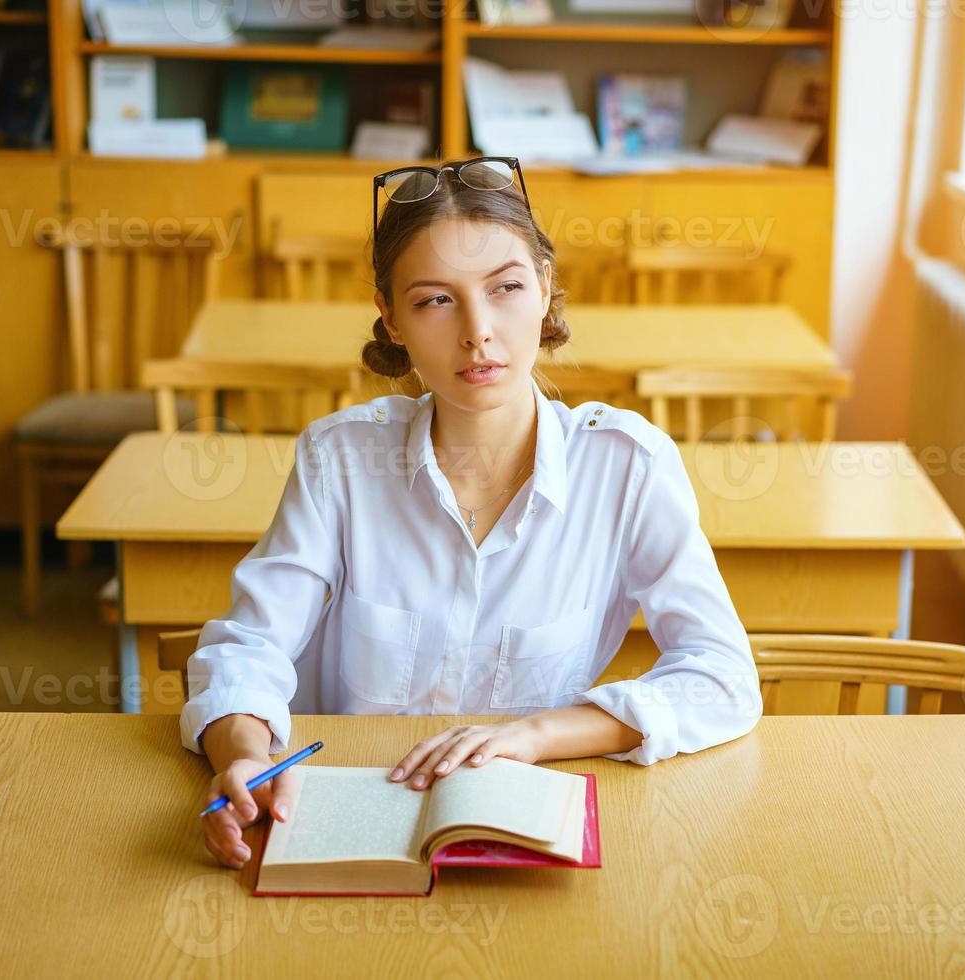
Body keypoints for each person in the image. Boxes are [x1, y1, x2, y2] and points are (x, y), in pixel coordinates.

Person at [185, 157, 762, 869]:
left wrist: (538, 735)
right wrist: (244, 758)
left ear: (546, 289)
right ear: (390, 316)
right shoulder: (340, 459)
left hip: (517, 824)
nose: (479, 331)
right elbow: (247, 650)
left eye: (507, 288)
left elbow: (722, 677)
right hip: (344, 822)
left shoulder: (626, 466)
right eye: (435, 301)